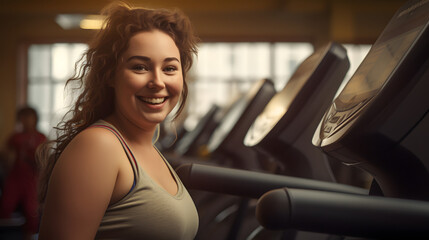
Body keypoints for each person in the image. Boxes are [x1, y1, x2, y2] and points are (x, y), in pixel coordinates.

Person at [36, 1, 199, 239]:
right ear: (111, 75)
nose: (158, 81)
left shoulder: (148, 147)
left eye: (170, 68)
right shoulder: (98, 146)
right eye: (140, 67)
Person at [0, 106, 47, 240]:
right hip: (15, 177)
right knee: (5, 206)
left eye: (29, 117)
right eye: (23, 118)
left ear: (35, 119)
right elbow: (5, 153)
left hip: (32, 179)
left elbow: (44, 160)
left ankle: (28, 236)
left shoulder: (41, 137)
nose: (26, 121)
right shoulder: (15, 137)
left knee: (31, 212)